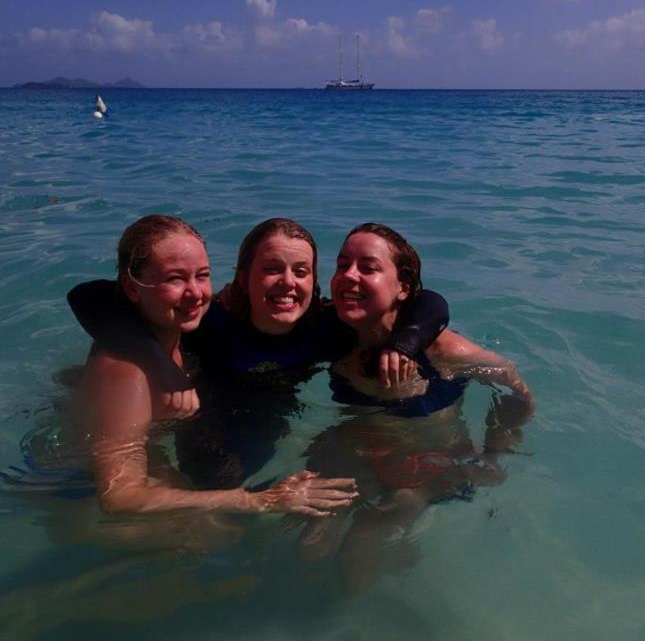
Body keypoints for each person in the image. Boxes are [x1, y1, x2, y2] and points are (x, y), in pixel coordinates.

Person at [68, 218, 450, 491]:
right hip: (209, 412)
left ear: (313, 281)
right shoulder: (210, 319)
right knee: (215, 486)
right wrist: (161, 367)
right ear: (242, 277)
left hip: (275, 411)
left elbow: (429, 301)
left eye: (301, 271)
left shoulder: (327, 324)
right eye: (271, 270)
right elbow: (90, 296)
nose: (287, 282)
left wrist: (405, 344)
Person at [298, 222, 535, 591]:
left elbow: (518, 392)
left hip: (426, 470)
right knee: (310, 547)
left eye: (368, 267)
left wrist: (494, 452)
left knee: (354, 558)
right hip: (359, 451)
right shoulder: (338, 337)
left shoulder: (445, 353)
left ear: (403, 288)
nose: (349, 276)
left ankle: (353, 617)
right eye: (342, 264)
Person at [76, 214, 357, 516]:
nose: (196, 293)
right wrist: (257, 500)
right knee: (215, 530)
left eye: (202, 275)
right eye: (175, 278)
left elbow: (408, 304)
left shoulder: (180, 331)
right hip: (76, 488)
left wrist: (401, 347)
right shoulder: (137, 361)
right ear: (242, 277)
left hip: (142, 453)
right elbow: (119, 497)